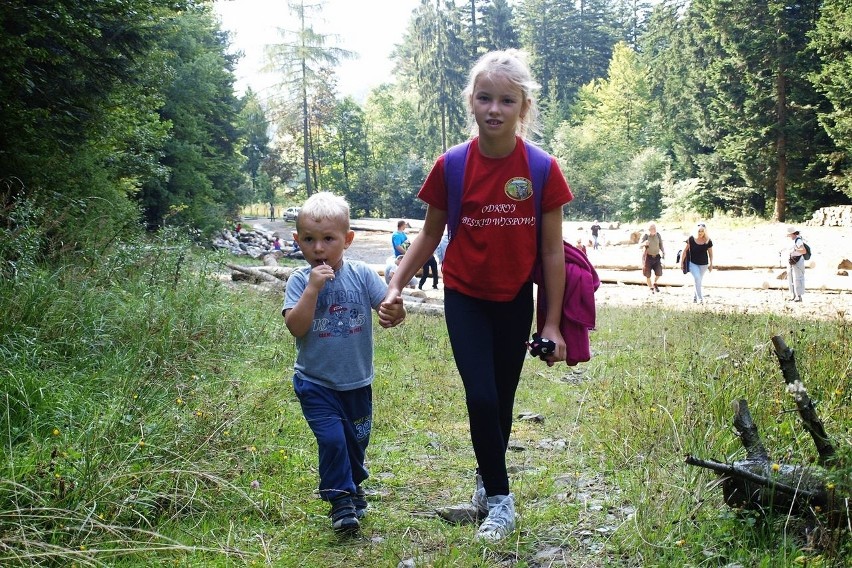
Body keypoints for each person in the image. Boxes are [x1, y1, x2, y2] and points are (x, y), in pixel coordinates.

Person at [378, 49, 572, 541]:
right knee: (481, 395)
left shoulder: (543, 169)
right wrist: (396, 283)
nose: (494, 109)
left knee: (502, 400)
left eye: (506, 100)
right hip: (464, 295)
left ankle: (487, 485)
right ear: (471, 101)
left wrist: (549, 324)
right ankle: (502, 503)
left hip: (513, 300)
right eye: (485, 98)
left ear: (523, 107)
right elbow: (428, 235)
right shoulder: (452, 165)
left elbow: (552, 254)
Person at [282, 192, 404, 534]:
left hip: (357, 381)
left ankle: (352, 485)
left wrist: (395, 311)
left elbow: (388, 308)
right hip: (316, 383)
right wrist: (312, 290)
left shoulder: (363, 274)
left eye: (328, 239)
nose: (318, 248)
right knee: (333, 440)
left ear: (347, 240)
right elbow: (296, 326)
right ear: (297, 241)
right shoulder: (297, 281)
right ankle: (340, 501)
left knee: (355, 442)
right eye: (309, 240)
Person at [682, 222, 713, 303]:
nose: (700, 233)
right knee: (697, 278)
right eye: (699, 231)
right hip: (693, 263)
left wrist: (711, 264)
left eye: (702, 231)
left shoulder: (708, 240)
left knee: (698, 281)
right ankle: (700, 299)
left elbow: (710, 253)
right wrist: (681, 262)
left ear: (705, 231)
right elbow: (684, 251)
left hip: (704, 264)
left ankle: (695, 297)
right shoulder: (691, 239)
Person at [640, 222, 665, 293]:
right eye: (652, 228)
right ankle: (650, 288)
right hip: (648, 257)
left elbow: (661, 245)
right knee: (647, 274)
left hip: (657, 256)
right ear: (649, 229)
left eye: (655, 228)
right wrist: (644, 243)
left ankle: (655, 283)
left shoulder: (658, 235)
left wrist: (663, 252)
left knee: (659, 273)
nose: (654, 229)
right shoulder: (645, 236)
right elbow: (639, 245)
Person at [785, 226, 807, 302]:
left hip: (798, 261)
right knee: (790, 277)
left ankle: (799, 296)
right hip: (792, 260)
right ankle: (793, 295)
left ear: (792, 233)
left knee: (798, 278)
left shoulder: (798, 240)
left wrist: (795, 249)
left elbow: (804, 251)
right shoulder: (793, 240)